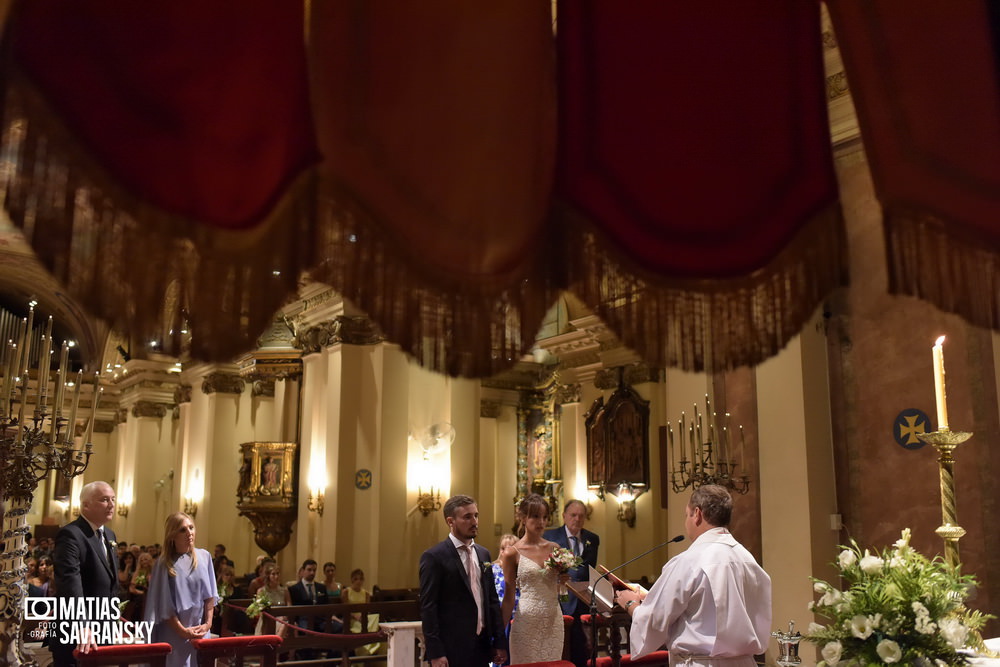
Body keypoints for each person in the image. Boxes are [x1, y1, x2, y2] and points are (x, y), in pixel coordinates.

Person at [617, 485, 772, 666]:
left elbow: (654, 621)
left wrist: (631, 604)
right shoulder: (747, 559)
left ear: (697, 514)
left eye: (686, 514)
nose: (686, 522)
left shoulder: (689, 561)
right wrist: (650, 597)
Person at [420, 494, 507, 667]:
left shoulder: (483, 554)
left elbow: (491, 601)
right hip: (451, 648)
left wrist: (499, 642)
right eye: (467, 517)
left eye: (476, 515)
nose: (474, 522)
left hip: (481, 646)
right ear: (450, 521)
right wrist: (436, 652)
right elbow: (428, 607)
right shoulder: (434, 557)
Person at [51, 480, 121, 666]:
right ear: (86, 505)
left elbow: (109, 583)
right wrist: (82, 624)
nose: (112, 504)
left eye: (113, 499)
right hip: (77, 631)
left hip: (103, 629)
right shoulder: (71, 535)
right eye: (104, 500)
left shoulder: (110, 535)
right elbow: (70, 584)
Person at [145, 512, 218, 667]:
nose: (189, 533)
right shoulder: (163, 563)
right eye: (182, 530)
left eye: (191, 528)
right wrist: (182, 631)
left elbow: (210, 596)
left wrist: (208, 624)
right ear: (172, 535)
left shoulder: (204, 557)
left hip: (200, 630)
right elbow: (164, 605)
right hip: (174, 632)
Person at [501, 493, 567, 664]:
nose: (541, 522)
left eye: (545, 517)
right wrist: (498, 634)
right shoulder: (511, 553)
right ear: (522, 518)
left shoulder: (555, 549)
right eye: (536, 516)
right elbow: (508, 597)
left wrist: (563, 581)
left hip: (553, 621)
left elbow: (562, 588)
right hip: (526, 622)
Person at [544, 498, 600, 667]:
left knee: (583, 646)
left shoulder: (592, 539)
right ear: (564, 516)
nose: (577, 519)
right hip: (559, 598)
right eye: (573, 515)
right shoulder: (550, 536)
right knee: (561, 645)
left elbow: (589, 569)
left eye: (581, 516)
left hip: (583, 599)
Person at [288, 559, 329, 657]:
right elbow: (292, 608)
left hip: (320, 619)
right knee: (306, 631)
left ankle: (332, 659)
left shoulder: (321, 587)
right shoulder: (294, 589)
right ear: (303, 571)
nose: (312, 573)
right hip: (303, 619)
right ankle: (306, 658)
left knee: (339, 628)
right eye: (309, 570)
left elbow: (327, 605)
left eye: (314, 570)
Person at [490, 534, 518, 667]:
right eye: (502, 548)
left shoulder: (521, 571)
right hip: (501, 620)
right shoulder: (493, 569)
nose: (505, 552)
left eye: (510, 548)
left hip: (518, 619)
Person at [254, 561, 291, 637]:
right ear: (268, 576)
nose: (276, 576)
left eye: (278, 573)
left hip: (282, 620)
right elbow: (259, 611)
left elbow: (289, 608)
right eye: (273, 574)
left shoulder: (284, 591)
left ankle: (278, 643)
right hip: (267, 621)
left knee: (285, 624)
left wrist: (284, 616)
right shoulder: (261, 591)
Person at [128, 552, 154, 622]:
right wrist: (143, 593)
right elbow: (131, 589)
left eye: (145, 559)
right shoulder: (137, 573)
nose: (143, 562)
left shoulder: (154, 572)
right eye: (141, 560)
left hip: (152, 599)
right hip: (140, 600)